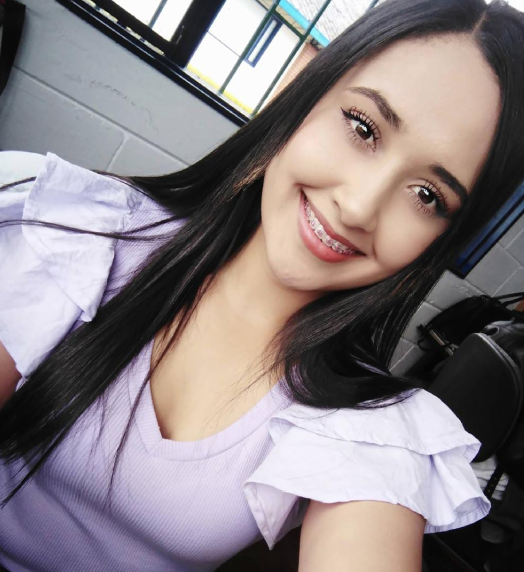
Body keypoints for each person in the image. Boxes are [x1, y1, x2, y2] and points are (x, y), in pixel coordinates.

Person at [1, 0, 523, 569]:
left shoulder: (371, 431)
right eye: (363, 128)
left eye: (427, 196)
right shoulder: (83, 236)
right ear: (305, 94)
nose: (358, 206)